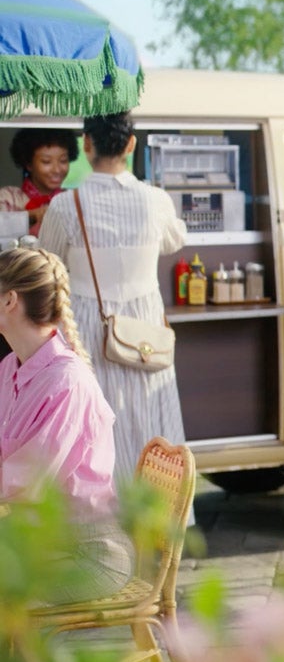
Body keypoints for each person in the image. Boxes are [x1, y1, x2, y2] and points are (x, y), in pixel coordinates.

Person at [38, 113, 187, 498]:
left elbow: (47, 260)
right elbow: (175, 240)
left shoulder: (66, 205)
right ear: (131, 144)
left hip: (89, 328)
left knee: (96, 425)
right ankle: (157, 523)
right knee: (152, 422)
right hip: (145, 331)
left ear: (87, 145)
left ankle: (100, 525)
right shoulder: (155, 201)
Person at [0, 246, 132, 604]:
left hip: (87, 556)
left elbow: (25, 481)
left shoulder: (66, 381)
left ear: (10, 300)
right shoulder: (10, 367)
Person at [1, 129, 79, 237]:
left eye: (63, 160)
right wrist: (31, 215)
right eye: (46, 161)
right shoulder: (8, 197)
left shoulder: (74, 199)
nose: (57, 170)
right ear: (28, 164)